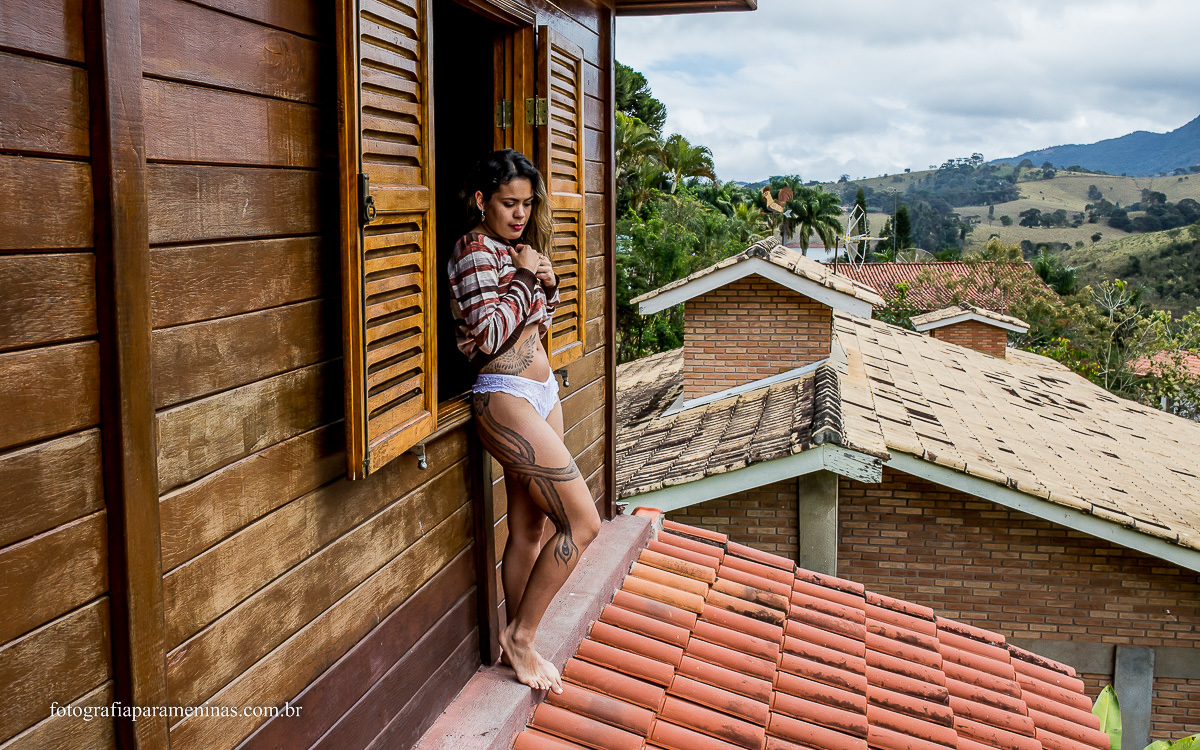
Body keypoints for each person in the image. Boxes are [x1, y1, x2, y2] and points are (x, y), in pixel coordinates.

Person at [447, 150, 600, 693]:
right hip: (504, 394)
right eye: (508, 203)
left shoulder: (515, 252)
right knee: (583, 524)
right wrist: (523, 276)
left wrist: (542, 280)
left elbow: (540, 320)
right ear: (481, 199)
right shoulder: (472, 251)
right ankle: (524, 637)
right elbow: (489, 337)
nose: (518, 214)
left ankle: (519, 637)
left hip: (541, 390)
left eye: (526, 204)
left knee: (530, 528)